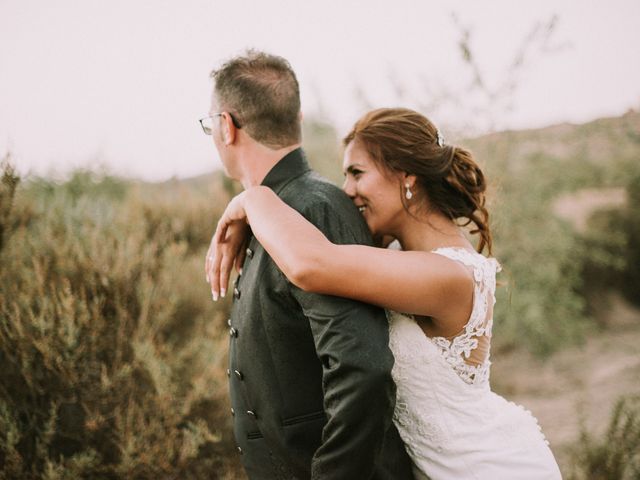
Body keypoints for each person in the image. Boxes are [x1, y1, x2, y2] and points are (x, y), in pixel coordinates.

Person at [207, 107, 563, 479]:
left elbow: (311, 264)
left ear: (407, 177)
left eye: (357, 173)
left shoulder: (453, 275)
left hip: (484, 468)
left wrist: (253, 199)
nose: (347, 190)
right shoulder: (397, 258)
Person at [201, 51, 415, 479]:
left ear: (227, 126)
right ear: (296, 119)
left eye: (209, 125)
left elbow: (363, 370)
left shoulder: (314, 208)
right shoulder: (272, 210)